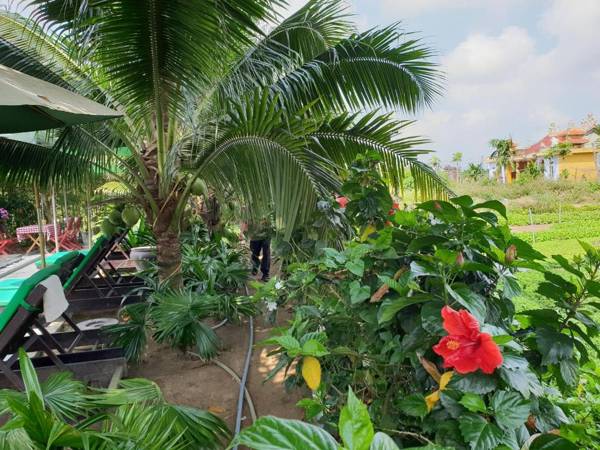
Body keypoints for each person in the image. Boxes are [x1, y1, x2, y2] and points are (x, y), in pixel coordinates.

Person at [242, 216, 273, 281]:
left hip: (266, 234)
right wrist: (243, 231)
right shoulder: (249, 210)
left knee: (266, 253)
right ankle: (255, 267)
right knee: (255, 253)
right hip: (254, 235)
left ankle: (265, 274)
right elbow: (244, 219)